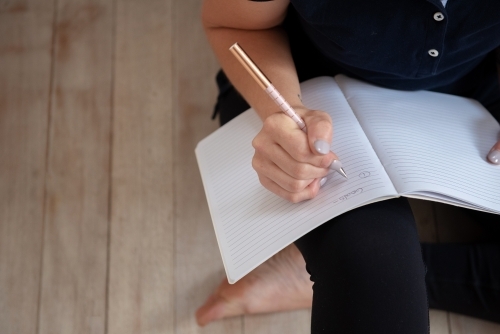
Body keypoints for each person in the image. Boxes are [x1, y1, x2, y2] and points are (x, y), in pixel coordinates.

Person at [196, 0, 500, 332]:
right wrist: (281, 111)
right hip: (298, 86)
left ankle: (314, 279)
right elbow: (235, 24)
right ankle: (355, 271)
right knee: (374, 266)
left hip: (476, 92)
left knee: (376, 272)